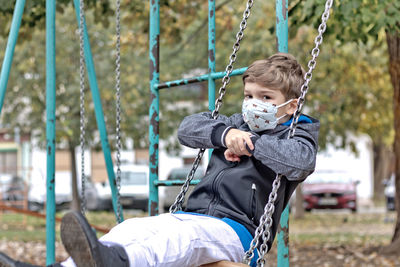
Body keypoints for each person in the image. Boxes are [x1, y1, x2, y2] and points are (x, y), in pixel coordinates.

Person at [0, 53, 319, 267]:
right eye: (249, 95)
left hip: (239, 232)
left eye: (266, 98)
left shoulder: (298, 135)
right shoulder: (234, 123)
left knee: (181, 239)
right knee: (132, 229)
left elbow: (300, 163)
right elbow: (188, 129)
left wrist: (252, 143)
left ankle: (119, 262)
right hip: (194, 215)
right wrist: (225, 136)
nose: (254, 104)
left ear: (290, 106)